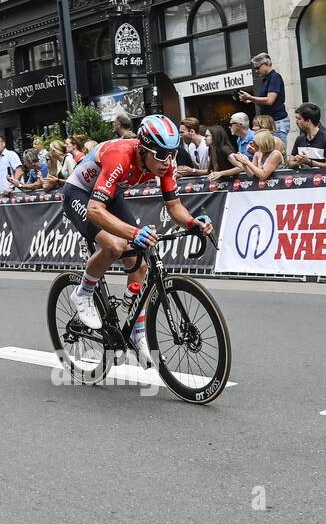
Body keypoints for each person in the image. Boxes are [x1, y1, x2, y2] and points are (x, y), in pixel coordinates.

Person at [61, 115, 214, 369]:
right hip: (79, 193)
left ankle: (137, 332)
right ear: (143, 150)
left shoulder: (165, 164)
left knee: (141, 265)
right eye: (162, 155)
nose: (168, 162)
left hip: (110, 193)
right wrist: (133, 233)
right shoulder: (119, 155)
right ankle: (84, 292)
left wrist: (191, 223)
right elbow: (95, 211)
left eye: (172, 154)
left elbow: (174, 205)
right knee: (116, 246)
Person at [240, 53, 289, 138]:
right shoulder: (267, 79)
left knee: (278, 151)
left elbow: (270, 100)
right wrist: (250, 100)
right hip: (271, 123)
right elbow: (265, 101)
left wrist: (250, 97)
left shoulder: (275, 77)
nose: (256, 70)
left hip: (277, 122)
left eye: (257, 67)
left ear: (266, 64)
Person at [287, 103, 326, 169]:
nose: (296, 122)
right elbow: (290, 163)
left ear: (308, 121)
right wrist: (297, 163)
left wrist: (309, 162)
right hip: (301, 177)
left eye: (299, 119)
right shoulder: (299, 139)